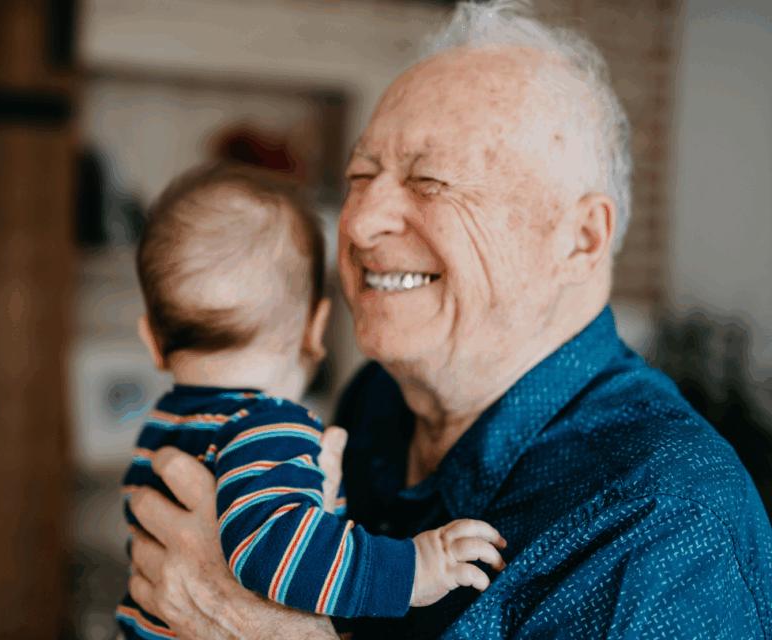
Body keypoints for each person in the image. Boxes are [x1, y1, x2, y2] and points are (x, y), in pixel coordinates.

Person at [125, 2, 772, 637]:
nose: (361, 221)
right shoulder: (377, 400)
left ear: (580, 237)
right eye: (359, 173)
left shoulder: (670, 523)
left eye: (430, 179)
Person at [117, 163, 507, 639]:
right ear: (315, 329)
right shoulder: (268, 426)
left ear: (152, 341)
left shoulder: (160, 428)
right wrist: (415, 568)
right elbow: (274, 551)